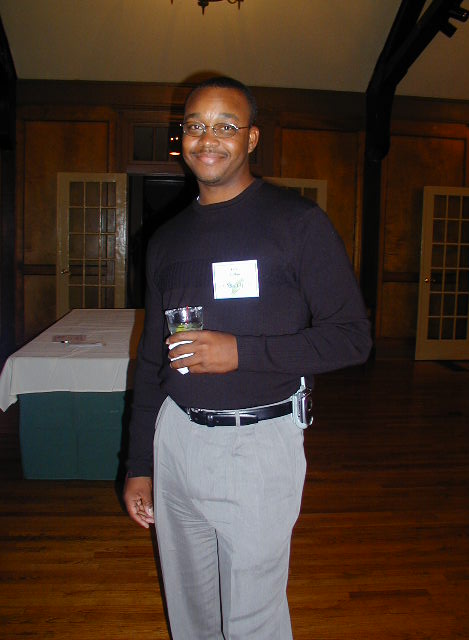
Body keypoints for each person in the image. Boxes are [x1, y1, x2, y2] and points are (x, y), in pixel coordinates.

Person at [124, 76, 372, 640]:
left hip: (257, 444)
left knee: (254, 619)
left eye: (226, 126)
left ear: (252, 138)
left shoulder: (297, 223)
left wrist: (243, 352)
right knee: (189, 608)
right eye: (195, 126)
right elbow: (150, 362)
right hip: (176, 440)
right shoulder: (166, 239)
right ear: (182, 138)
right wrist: (139, 462)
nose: (207, 138)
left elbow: (352, 338)